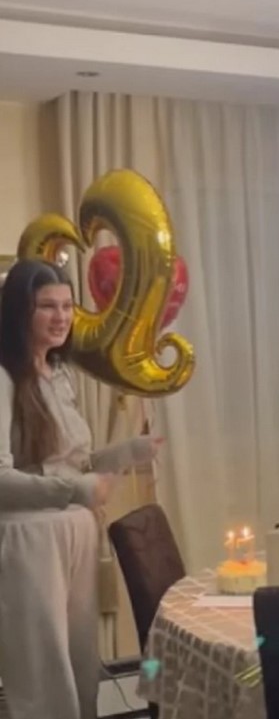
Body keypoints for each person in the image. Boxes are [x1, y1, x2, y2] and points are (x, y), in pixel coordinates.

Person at [0, 259, 160, 719]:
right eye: (47, 306)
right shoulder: (5, 378)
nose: (61, 317)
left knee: (81, 666)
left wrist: (127, 452)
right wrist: (74, 491)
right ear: (20, 312)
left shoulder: (59, 374)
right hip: (30, 540)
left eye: (67, 306)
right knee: (44, 676)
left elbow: (73, 465)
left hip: (76, 532)